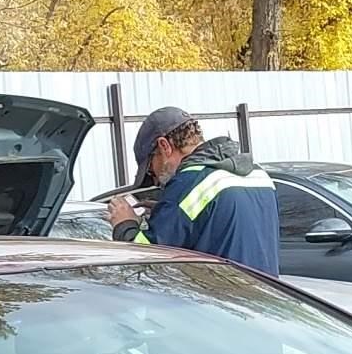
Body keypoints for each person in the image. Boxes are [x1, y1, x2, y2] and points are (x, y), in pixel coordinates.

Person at [107, 107, 281, 275]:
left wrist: (125, 224)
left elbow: (148, 259)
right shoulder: (257, 175)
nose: (156, 179)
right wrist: (167, 212)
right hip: (267, 297)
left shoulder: (189, 182)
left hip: (220, 300)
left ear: (164, 146)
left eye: (151, 168)